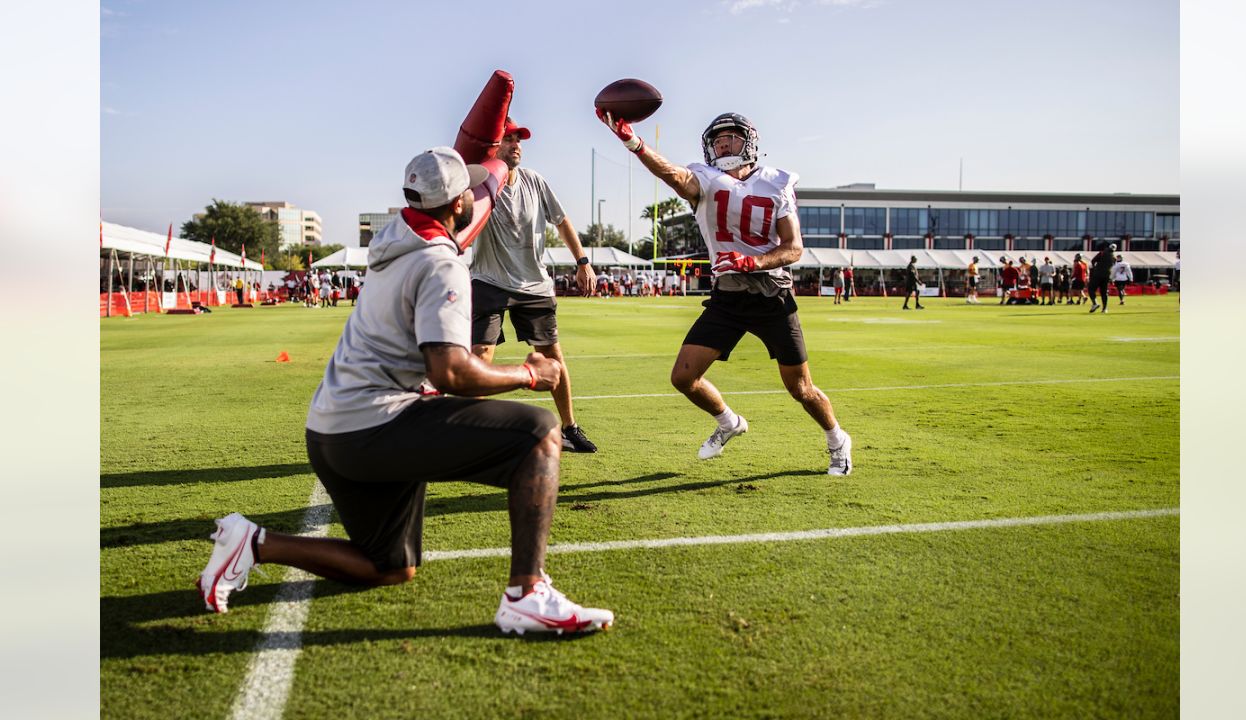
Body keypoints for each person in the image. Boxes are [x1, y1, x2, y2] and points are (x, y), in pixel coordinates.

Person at [196, 147, 613, 634]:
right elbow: (452, 374)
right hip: (373, 426)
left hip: (331, 431)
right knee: (539, 431)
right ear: (459, 203)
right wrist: (528, 374)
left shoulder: (395, 242)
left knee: (389, 565)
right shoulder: (440, 263)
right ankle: (526, 593)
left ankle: (255, 543)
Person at [597, 109, 853, 475]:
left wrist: (752, 262)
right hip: (728, 297)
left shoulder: (776, 182)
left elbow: (793, 248)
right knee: (683, 377)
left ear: (748, 141)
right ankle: (729, 422)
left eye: (729, 137)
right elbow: (674, 176)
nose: (722, 144)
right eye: (716, 140)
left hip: (772, 296)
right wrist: (633, 142)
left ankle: (837, 439)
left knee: (801, 389)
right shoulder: (706, 179)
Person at [469, 117, 599, 453]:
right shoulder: (478, 182)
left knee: (554, 358)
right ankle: (477, 435)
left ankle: (569, 428)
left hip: (534, 284)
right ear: (493, 146)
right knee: (480, 356)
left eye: (518, 140)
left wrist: (582, 261)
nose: (516, 145)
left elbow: (562, 220)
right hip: (488, 281)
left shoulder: (535, 181)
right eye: (508, 139)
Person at [1088, 243, 1117, 313]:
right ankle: (1105, 308)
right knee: (1104, 292)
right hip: (1107, 276)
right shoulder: (1114, 258)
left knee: (1091, 289)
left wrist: (1095, 268)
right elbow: (1113, 268)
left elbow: (1093, 261)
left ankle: (1095, 303)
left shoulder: (1101, 253)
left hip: (1097, 274)